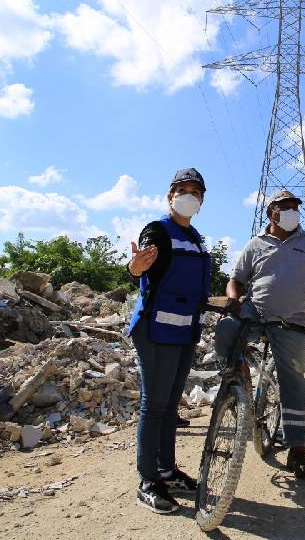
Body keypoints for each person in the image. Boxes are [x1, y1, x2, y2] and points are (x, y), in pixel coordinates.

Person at [215, 189, 305, 478]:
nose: (292, 211)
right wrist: (232, 298)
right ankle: (233, 379)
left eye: (295, 207)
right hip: (257, 314)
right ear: (272, 213)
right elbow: (235, 280)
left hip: (291, 321)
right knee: (227, 328)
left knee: (294, 383)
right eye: (285, 207)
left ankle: (297, 449)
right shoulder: (255, 244)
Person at [126, 168, 211, 514]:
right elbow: (139, 267)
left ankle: (167, 471)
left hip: (184, 332)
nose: (189, 196)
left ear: (202, 200)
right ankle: (148, 481)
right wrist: (135, 267)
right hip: (155, 330)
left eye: (195, 192)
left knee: (169, 407)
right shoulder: (157, 231)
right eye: (182, 190)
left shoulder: (196, 238)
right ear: (170, 196)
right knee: (154, 405)